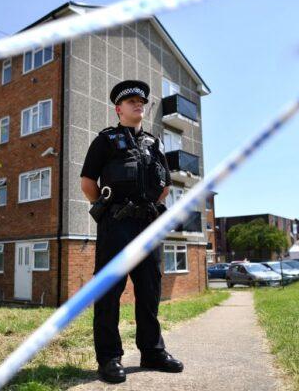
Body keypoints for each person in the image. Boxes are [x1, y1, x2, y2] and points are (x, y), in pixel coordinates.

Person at [80, 80, 184, 383]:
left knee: (150, 291)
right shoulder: (105, 141)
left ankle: (152, 351)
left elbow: (164, 185)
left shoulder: (155, 144)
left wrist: (149, 206)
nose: (139, 104)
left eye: (142, 101)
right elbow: (88, 183)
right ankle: (110, 358)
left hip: (148, 226)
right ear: (119, 108)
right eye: (132, 102)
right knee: (110, 292)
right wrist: (109, 209)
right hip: (117, 224)